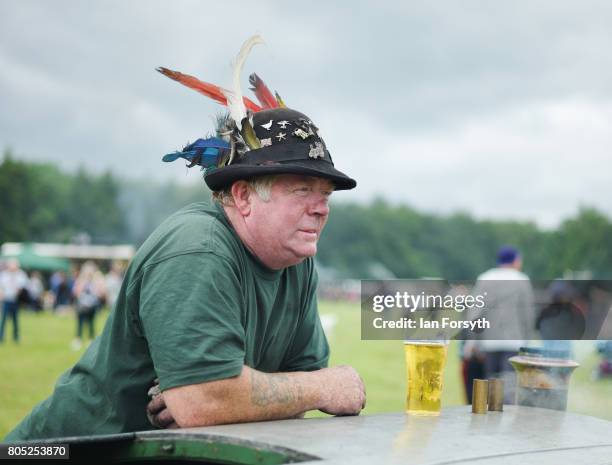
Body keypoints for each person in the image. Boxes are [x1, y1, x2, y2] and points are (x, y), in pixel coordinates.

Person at [5, 37, 365, 442]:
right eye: (302, 190)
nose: (321, 208)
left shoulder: (297, 262)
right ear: (243, 196)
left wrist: (231, 400)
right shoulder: (198, 248)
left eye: (325, 194)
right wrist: (323, 388)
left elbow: (241, 399)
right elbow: (205, 401)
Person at [467, 245, 536, 403]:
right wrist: (527, 340)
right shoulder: (522, 280)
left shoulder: (484, 279)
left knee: (489, 387)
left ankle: (489, 422)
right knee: (510, 388)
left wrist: (475, 340)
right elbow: (527, 315)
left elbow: (475, 314)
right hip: (514, 342)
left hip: (489, 342)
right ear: (516, 260)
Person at [71, 261, 106, 350]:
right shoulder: (81, 280)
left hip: (92, 306)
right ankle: (78, 339)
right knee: (80, 323)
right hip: (82, 305)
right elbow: (75, 292)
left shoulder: (96, 280)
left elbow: (102, 292)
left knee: (91, 323)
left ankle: (90, 339)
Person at [0, 258, 29, 344]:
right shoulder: (4, 275)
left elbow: (24, 286)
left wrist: (19, 290)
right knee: (4, 319)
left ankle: (16, 337)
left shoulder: (21, 274)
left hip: (16, 300)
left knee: (15, 320)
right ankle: (1, 336)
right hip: (7, 299)